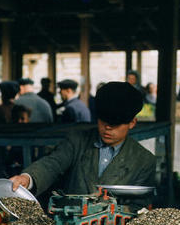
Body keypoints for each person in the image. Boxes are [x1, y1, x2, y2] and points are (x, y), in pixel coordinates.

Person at [10, 81, 155, 198]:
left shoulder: (143, 161)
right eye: (103, 121)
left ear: (132, 123)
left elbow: (139, 206)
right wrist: (28, 178)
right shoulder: (77, 141)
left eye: (115, 124)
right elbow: (52, 164)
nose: (107, 128)